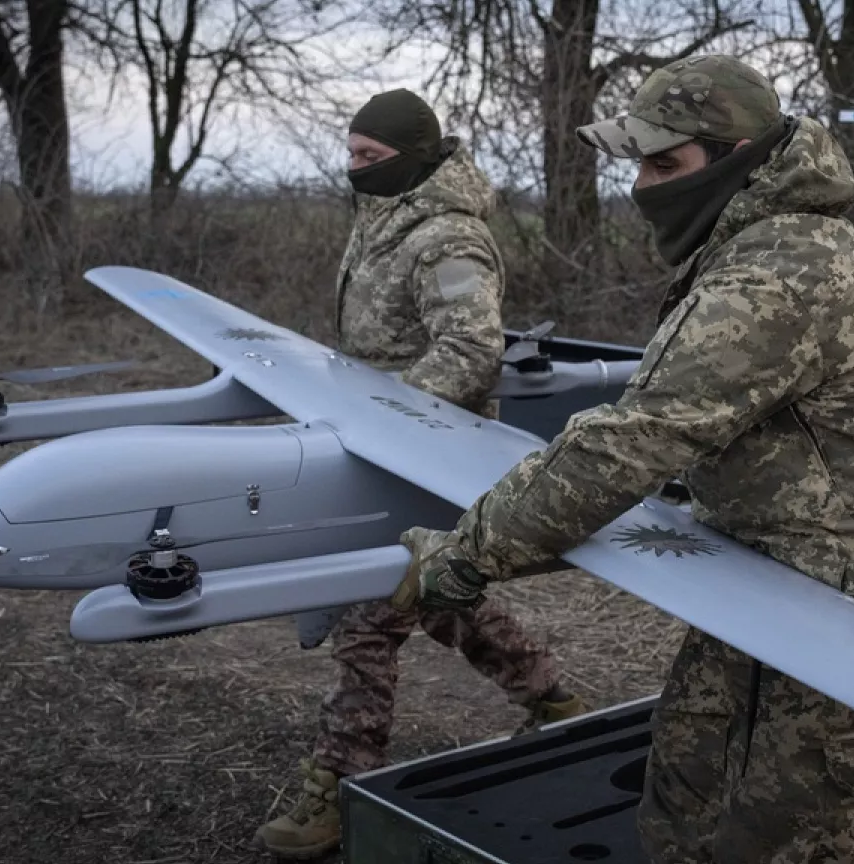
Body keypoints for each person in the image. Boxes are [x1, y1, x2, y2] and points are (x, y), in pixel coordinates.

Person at [389, 56, 854, 864]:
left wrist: (464, 556)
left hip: (847, 610)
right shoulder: (757, 247)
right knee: (687, 803)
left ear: (737, 157)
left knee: (801, 841)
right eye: (640, 164)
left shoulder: (778, 275)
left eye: (665, 164)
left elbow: (631, 440)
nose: (643, 187)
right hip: (769, 583)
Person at [252, 88, 589, 860]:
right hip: (378, 450)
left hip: (427, 453)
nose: (354, 167)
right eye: (351, 153)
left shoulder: (447, 238)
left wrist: (382, 413)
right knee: (439, 597)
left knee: (369, 614)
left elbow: (470, 350)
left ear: (411, 156)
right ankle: (556, 702)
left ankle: (338, 781)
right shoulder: (384, 218)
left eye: (370, 155)